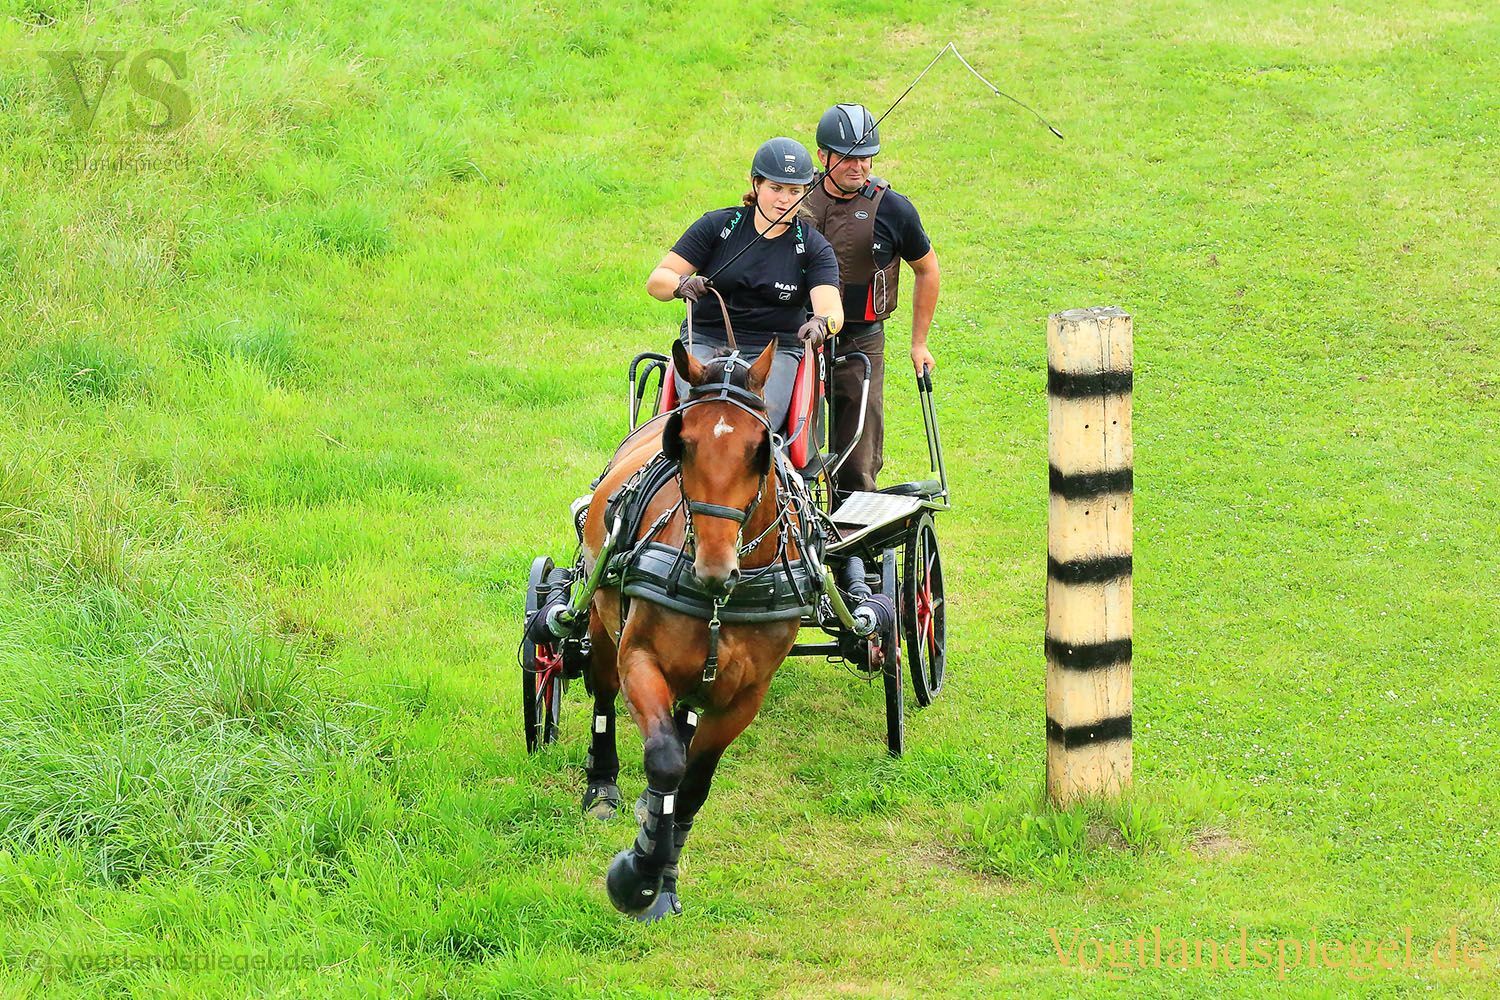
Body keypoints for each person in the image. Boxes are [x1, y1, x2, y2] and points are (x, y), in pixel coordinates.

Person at [647, 137, 843, 434]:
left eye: (794, 191)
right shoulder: (717, 226)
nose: (784, 199)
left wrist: (820, 324)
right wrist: (681, 283)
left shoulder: (814, 247)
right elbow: (656, 282)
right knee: (700, 414)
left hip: (774, 350)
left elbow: (832, 311)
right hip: (706, 339)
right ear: (756, 184)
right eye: (775, 188)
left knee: (757, 424)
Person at [804, 103, 941, 494]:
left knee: (858, 459)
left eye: (866, 158)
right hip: (799, 338)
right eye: (847, 158)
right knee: (792, 447)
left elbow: (927, 269)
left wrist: (919, 343)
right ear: (823, 156)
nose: (858, 167)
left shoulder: (893, 209)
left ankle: (853, 550)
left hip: (860, 342)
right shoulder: (796, 198)